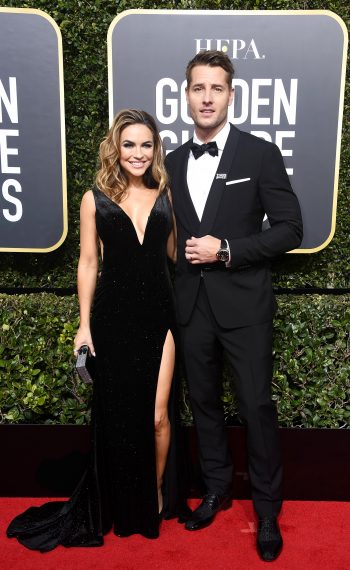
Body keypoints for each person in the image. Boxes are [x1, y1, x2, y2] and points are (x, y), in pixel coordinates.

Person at [7, 109, 188, 551]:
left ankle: (156, 492)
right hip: (112, 319)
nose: (138, 153)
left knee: (158, 415)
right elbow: (88, 263)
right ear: (115, 148)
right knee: (118, 418)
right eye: (129, 144)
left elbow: (173, 256)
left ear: (155, 149)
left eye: (146, 145)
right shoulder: (96, 198)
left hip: (160, 316)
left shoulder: (166, 193)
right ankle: (120, 501)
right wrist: (84, 325)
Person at [165, 50, 303, 562]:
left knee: (256, 406)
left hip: (244, 307)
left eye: (216, 89)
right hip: (190, 306)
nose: (206, 97)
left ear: (230, 95)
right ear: (187, 95)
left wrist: (227, 250)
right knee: (202, 404)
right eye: (198, 88)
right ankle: (217, 489)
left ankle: (267, 511)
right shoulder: (171, 162)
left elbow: (291, 229)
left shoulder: (259, 154)